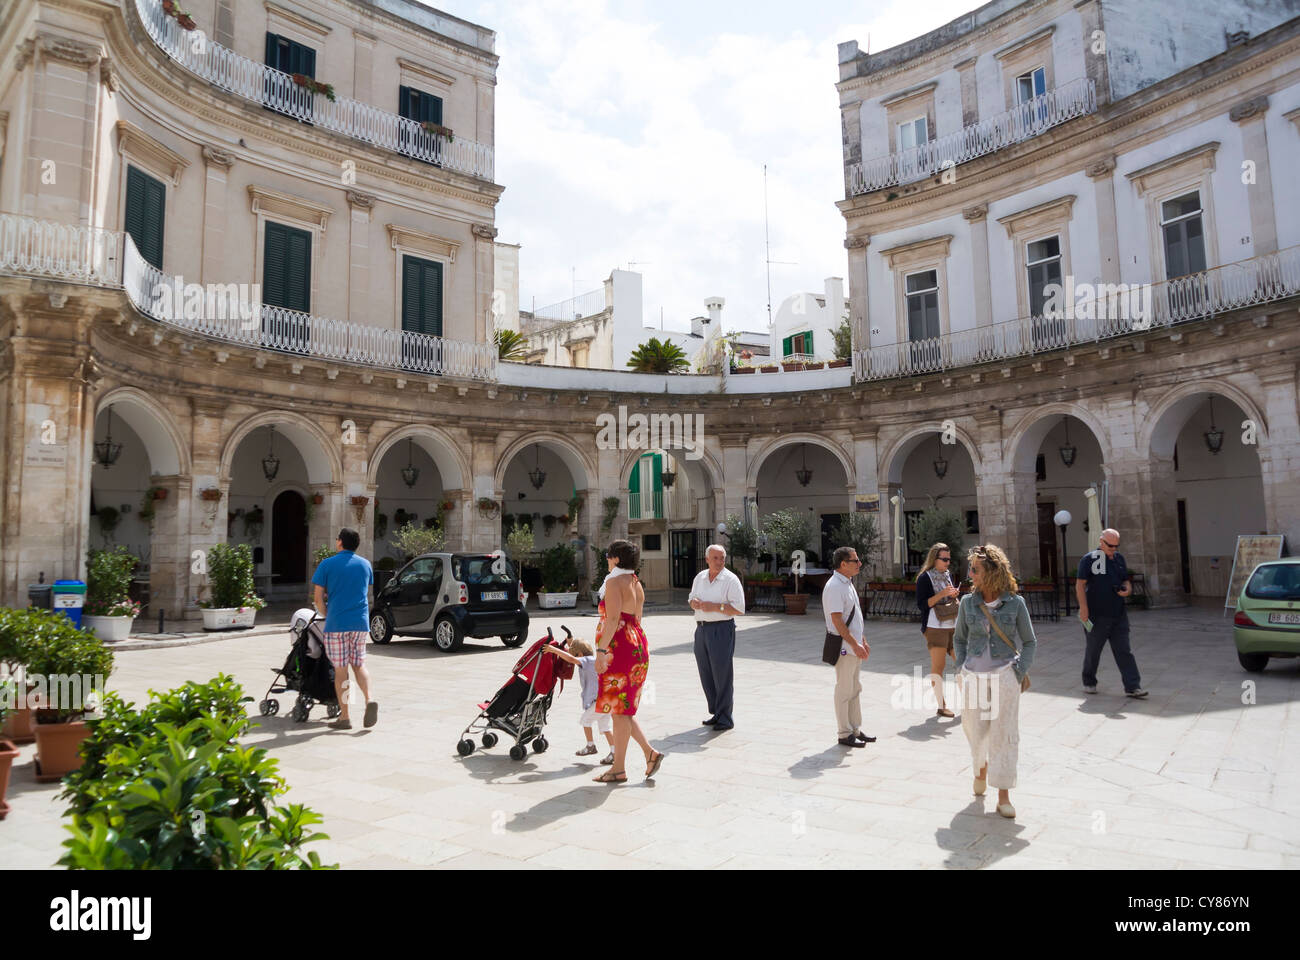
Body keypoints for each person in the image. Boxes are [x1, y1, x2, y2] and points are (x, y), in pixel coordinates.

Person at [953, 544, 1036, 819]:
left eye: (974, 569)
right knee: (975, 731)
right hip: (973, 676)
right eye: (970, 569)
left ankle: (1003, 796)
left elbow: (1029, 641)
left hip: (1004, 676)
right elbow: (960, 639)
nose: (970, 574)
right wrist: (961, 668)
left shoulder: (1015, 603)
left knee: (1004, 736)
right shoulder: (967, 603)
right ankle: (981, 768)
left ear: (990, 571)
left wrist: (1018, 673)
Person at [592, 540, 665, 783]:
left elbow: (613, 620)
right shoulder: (636, 583)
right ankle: (649, 753)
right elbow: (637, 618)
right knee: (622, 709)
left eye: (607, 555)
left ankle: (619, 769)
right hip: (637, 646)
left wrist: (601, 651)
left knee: (619, 710)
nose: (606, 559)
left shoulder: (614, 582)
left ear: (615, 559)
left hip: (619, 648)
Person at [311, 528, 378, 731]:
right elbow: (364, 590)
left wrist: (326, 615)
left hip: (337, 623)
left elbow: (318, 597)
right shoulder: (365, 564)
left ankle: (345, 717)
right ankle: (369, 700)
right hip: (360, 622)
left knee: (341, 670)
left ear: (340, 542)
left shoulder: (327, 564)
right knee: (359, 664)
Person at [1076, 528, 1147, 698]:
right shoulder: (1089, 560)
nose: (1113, 549)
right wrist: (1083, 608)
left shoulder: (1119, 559)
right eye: (1110, 545)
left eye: (1116, 546)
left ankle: (1133, 686)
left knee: (1124, 651)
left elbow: (1125, 579)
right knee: (1093, 650)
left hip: (1118, 615)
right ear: (1101, 542)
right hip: (1096, 615)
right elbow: (1080, 585)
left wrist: (1127, 589)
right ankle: (1089, 681)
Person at [688, 544, 746, 731]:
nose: (720, 562)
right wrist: (694, 603)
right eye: (715, 558)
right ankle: (717, 711)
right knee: (706, 672)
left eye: (722, 558)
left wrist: (715, 607)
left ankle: (725, 717)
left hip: (721, 629)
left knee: (722, 673)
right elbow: (690, 599)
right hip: (702, 629)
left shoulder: (731, 580)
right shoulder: (700, 577)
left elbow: (739, 608)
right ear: (707, 559)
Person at [822, 546, 873, 748]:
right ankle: (844, 733)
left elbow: (854, 617)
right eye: (855, 561)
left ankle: (855, 729)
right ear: (843, 564)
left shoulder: (847, 583)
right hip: (844, 647)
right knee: (844, 689)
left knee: (855, 688)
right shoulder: (835, 586)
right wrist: (854, 644)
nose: (859, 563)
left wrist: (864, 641)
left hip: (854, 645)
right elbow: (837, 621)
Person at [542, 637, 614, 764]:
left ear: (580, 654)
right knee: (605, 727)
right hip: (606, 700)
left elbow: (571, 659)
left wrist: (553, 650)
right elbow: (574, 655)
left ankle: (590, 746)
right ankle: (614, 752)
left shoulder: (585, 660)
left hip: (597, 701)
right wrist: (571, 642)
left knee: (585, 720)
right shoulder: (592, 659)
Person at [916, 542, 960, 718]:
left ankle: (971, 702)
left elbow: (948, 598)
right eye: (945, 559)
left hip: (953, 625)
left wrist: (953, 594)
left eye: (949, 559)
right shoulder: (924, 578)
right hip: (935, 627)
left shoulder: (947, 575)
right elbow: (922, 605)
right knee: (939, 666)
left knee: (963, 664)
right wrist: (942, 595)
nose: (948, 562)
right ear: (935, 559)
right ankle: (941, 706)